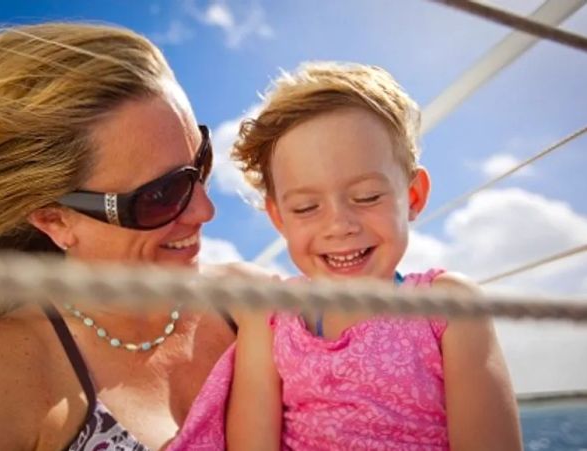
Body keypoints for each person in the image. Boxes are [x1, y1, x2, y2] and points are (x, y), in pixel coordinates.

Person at [0, 23, 243, 451]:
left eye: (199, 162)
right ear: (54, 221)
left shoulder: (247, 306)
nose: (205, 210)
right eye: (161, 195)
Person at [168, 62, 522, 450]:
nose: (340, 225)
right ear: (279, 217)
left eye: (367, 197)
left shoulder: (449, 309)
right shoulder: (270, 321)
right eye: (306, 207)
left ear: (414, 197)